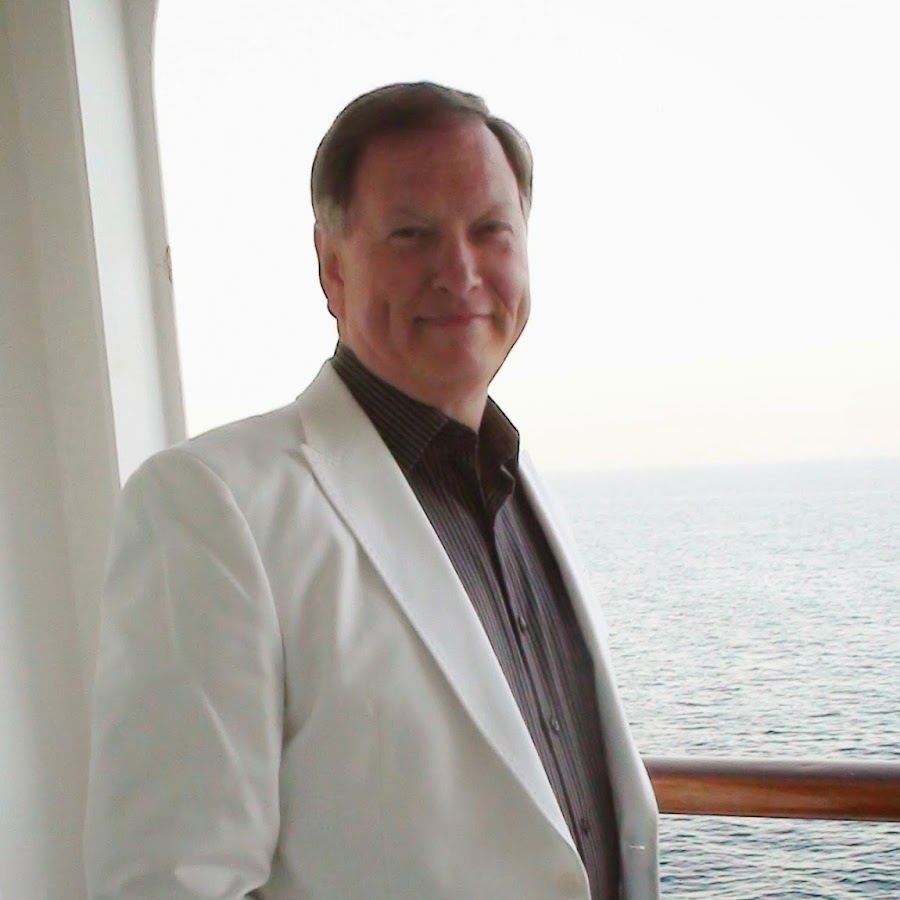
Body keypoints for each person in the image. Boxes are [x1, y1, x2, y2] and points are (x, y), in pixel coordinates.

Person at [84, 82, 659, 900]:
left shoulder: (515, 482)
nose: (459, 272)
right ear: (332, 267)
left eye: (490, 230)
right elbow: (169, 883)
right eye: (411, 234)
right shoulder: (211, 506)